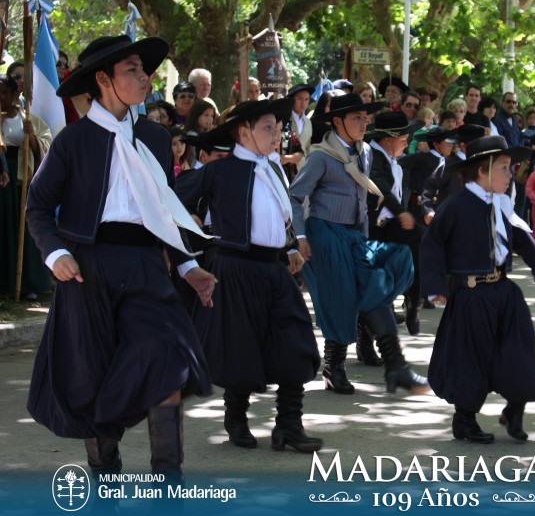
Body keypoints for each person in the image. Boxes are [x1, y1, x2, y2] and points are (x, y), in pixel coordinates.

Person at [25, 35, 217, 484]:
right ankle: (105, 478)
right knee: (93, 378)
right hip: (87, 270)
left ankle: (168, 482)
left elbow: (164, 209)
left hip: (146, 265)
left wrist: (187, 267)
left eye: (144, 69)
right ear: (103, 79)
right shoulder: (73, 141)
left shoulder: (153, 136)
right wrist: (56, 253)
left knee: (166, 362)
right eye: (132, 69)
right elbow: (38, 206)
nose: (144, 77)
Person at [180, 98, 322, 453]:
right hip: (235, 268)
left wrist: (290, 248)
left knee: (295, 341)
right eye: (267, 128)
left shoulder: (272, 168)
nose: (276, 135)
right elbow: (171, 197)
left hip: (274, 268)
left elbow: (277, 217)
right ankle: (236, 418)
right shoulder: (220, 170)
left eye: (278, 128)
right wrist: (190, 222)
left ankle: (288, 425)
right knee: (240, 347)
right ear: (243, 133)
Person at [420, 135, 535, 443]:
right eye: (505, 168)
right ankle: (465, 420)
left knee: (519, 351)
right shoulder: (456, 205)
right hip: (470, 295)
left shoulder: (503, 203)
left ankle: (515, 409)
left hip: (504, 292)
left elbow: (521, 240)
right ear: (483, 171)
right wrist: (434, 286)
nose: (511, 175)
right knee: (471, 357)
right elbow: (432, 244)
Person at [289, 93, 429, 395]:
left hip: (354, 236)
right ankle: (336, 366)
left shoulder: (364, 153)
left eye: (366, 118)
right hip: (324, 233)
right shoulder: (321, 157)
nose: (364, 123)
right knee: (342, 297)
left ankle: (394, 366)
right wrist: (299, 238)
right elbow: (294, 197)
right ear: (337, 121)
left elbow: (363, 204)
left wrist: (364, 239)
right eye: (357, 118)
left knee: (393, 265)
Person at [365, 112, 424, 335]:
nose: (407, 144)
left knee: (422, 244)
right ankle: (376, 325)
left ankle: (413, 300)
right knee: (377, 275)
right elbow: (380, 187)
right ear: (388, 140)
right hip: (373, 227)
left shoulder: (393, 160)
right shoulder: (371, 156)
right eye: (403, 140)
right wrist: (401, 212)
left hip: (392, 224)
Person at [0, 74, 54, 300]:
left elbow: (46, 148)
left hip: (22, 177)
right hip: (2, 176)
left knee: (22, 228)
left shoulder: (30, 119)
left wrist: (31, 136)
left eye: (4, 92)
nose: (0, 97)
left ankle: (27, 283)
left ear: (14, 94)